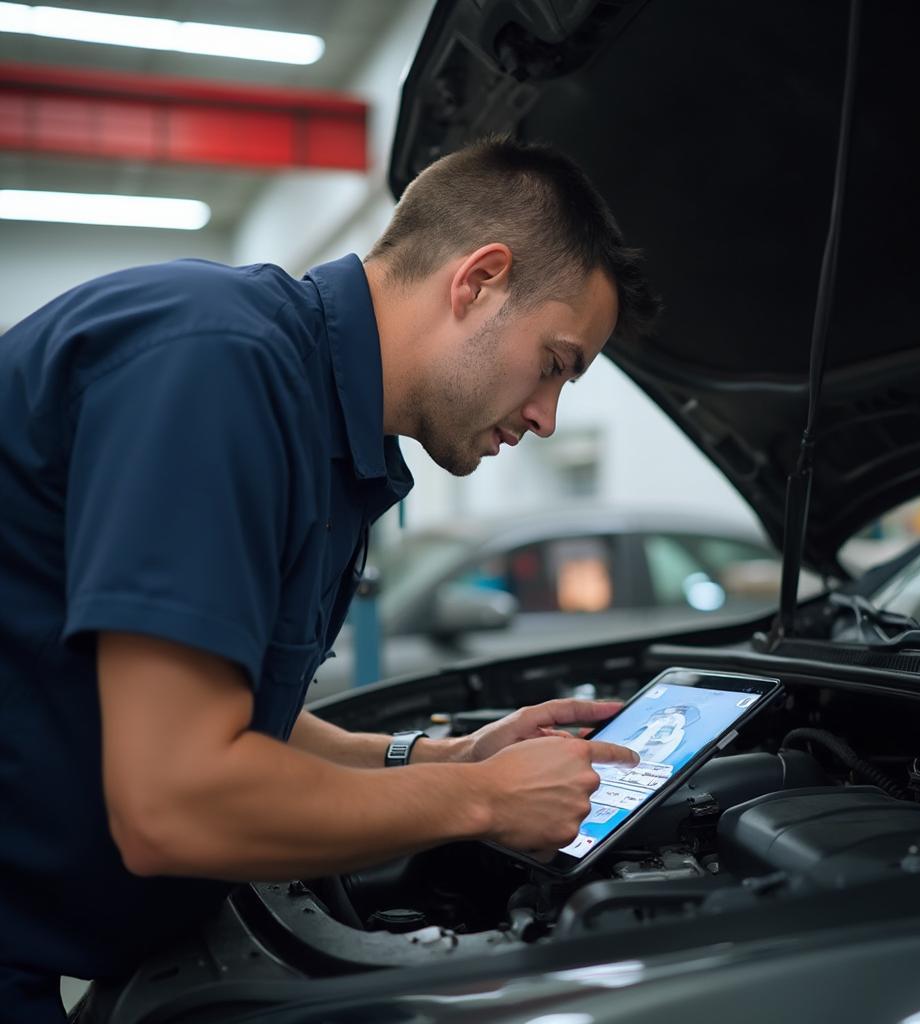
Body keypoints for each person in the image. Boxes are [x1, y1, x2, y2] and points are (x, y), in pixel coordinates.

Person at [0, 136, 659, 1021]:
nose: (546, 416)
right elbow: (176, 804)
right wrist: (481, 800)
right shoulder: (218, 366)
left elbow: (234, 710)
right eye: (555, 363)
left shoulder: (324, 428)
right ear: (480, 280)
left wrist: (440, 757)